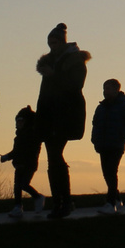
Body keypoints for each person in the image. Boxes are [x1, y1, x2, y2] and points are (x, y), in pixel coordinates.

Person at [35, 22, 91, 219]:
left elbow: (75, 85)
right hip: (50, 115)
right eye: (50, 42)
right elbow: (44, 94)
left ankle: (64, 201)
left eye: (56, 41)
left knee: (56, 157)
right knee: (52, 159)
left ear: (62, 41)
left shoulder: (74, 61)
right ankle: (60, 201)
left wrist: (55, 75)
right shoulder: (50, 62)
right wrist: (39, 117)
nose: (52, 45)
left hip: (66, 115)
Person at [90, 78, 125, 215]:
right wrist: (95, 139)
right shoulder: (101, 108)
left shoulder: (124, 106)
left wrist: (121, 134)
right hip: (103, 145)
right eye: (104, 89)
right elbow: (95, 124)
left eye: (109, 88)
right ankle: (117, 199)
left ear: (116, 90)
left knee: (111, 173)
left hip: (116, 145)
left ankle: (110, 204)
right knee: (107, 174)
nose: (106, 91)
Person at [0, 106, 45, 218]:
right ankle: (18, 206)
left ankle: (38, 197)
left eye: (20, 121)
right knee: (17, 186)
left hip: (28, 164)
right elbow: (17, 151)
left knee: (24, 184)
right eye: (17, 121)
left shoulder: (30, 136)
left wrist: (7, 157)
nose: (18, 124)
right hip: (19, 164)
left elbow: (20, 151)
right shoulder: (19, 137)